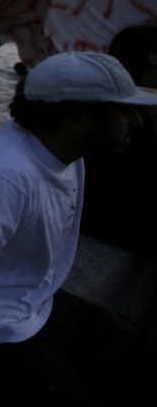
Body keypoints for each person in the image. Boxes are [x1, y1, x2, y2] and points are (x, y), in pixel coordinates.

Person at [0, 51, 157, 407]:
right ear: (78, 119)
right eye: (123, 111)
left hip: (33, 302)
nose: (136, 121)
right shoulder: (5, 175)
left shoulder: (63, 152)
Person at [80, 23, 157, 256]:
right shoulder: (125, 113)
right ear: (154, 59)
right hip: (107, 225)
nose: (135, 121)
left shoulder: (125, 107)